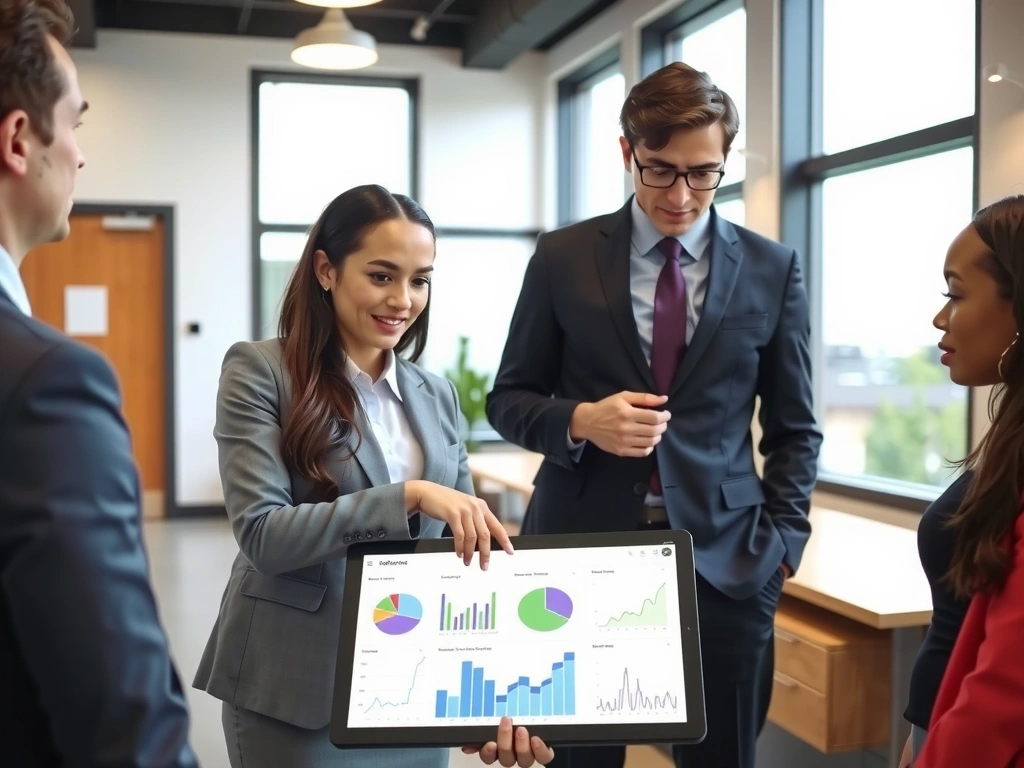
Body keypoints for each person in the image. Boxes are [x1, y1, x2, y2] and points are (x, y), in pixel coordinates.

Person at [486, 62, 822, 768]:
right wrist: (581, 420)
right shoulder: (562, 257)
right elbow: (508, 399)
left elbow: (795, 427)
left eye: (704, 173)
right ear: (626, 153)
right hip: (580, 554)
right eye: (660, 170)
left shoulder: (771, 267)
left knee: (722, 758)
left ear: (725, 160)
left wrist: (783, 545)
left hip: (727, 564)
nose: (681, 194)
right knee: (579, 758)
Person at [193, 184, 553, 768]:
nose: (404, 299)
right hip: (300, 688)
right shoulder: (260, 372)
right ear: (326, 270)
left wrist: (498, 695)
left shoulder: (434, 394)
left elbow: (470, 558)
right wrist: (408, 495)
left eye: (420, 279)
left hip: (412, 689)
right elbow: (264, 535)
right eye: (382, 276)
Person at [0, 1, 199, 766]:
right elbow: (124, 721)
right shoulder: (46, 383)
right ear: (21, 139)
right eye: (74, 123)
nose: (81, 155)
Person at [903, 194, 1024, 767]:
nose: (940, 317)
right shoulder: (1011, 432)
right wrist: (922, 725)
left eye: (955, 293)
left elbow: (1007, 688)